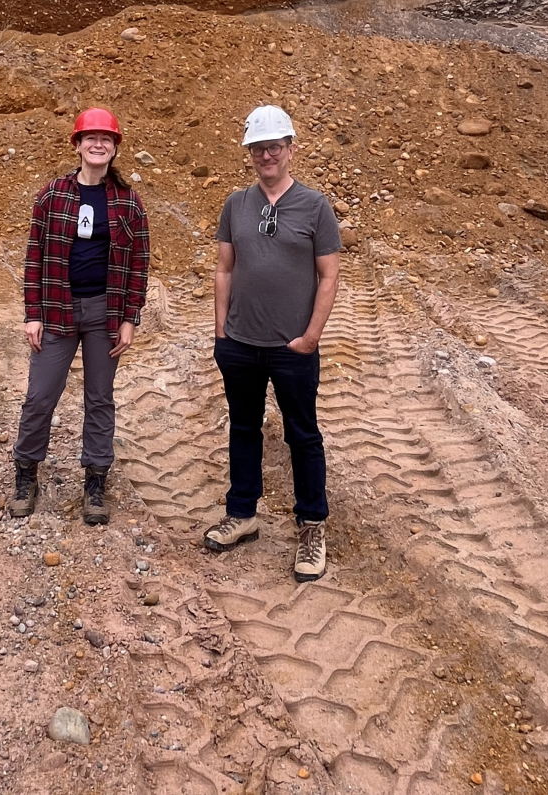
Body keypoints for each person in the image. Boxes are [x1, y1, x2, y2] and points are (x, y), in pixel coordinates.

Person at [206, 105, 341, 583]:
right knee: (243, 428)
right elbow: (224, 268)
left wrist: (310, 337)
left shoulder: (315, 206)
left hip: (292, 348)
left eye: (274, 146)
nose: (267, 154)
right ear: (249, 153)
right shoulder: (235, 205)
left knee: (302, 435)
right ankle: (242, 515)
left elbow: (329, 277)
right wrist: (222, 330)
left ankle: (311, 526)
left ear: (289, 149)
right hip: (240, 343)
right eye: (258, 148)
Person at [9, 108, 150, 525]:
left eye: (106, 139)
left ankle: (95, 479)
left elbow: (139, 262)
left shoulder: (127, 202)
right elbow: (34, 256)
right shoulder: (53, 195)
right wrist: (32, 313)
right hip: (56, 309)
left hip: (105, 312)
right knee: (40, 396)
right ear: (77, 144)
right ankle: (25, 473)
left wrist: (130, 317)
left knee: (100, 398)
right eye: (90, 137)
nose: (98, 144)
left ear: (114, 148)